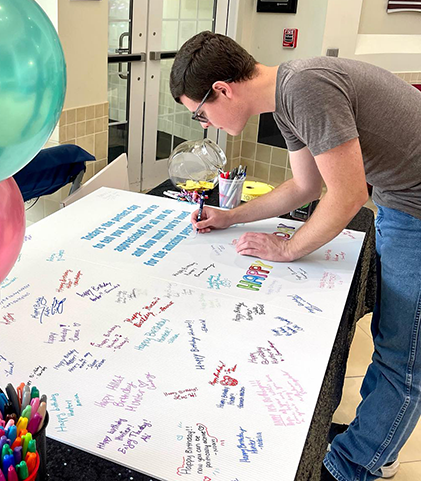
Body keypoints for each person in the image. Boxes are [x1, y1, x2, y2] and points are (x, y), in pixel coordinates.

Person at [170, 31, 421, 481]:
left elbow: (346, 197)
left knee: (403, 355)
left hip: (415, 206)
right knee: (394, 335)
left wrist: (287, 247)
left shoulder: (305, 88)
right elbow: (305, 188)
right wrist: (233, 217)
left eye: (200, 114)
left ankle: (350, 467)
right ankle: (378, 446)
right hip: (399, 197)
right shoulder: (287, 96)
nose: (204, 124)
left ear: (222, 90)